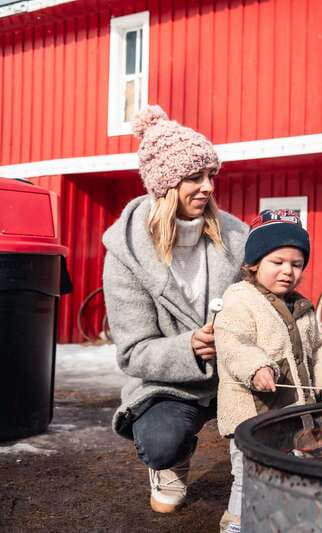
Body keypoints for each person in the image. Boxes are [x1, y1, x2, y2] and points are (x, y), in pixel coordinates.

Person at [102, 105, 248, 513]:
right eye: (194, 177)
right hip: (168, 382)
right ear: (165, 183)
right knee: (163, 442)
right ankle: (171, 461)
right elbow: (133, 352)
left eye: (210, 176)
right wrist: (189, 348)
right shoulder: (126, 254)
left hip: (235, 370)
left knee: (279, 419)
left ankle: (258, 473)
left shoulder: (236, 237)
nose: (207, 187)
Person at [214, 209, 322, 533]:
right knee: (250, 471)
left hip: (296, 411)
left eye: (296, 264)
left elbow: (319, 348)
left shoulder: (302, 307)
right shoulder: (239, 299)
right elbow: (232, 342)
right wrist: (256, 366)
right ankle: (238, 522)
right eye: (278, 262)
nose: (288, 271)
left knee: (302, 463)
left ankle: (294, 517)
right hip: (253, 413)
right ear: (254, 263)